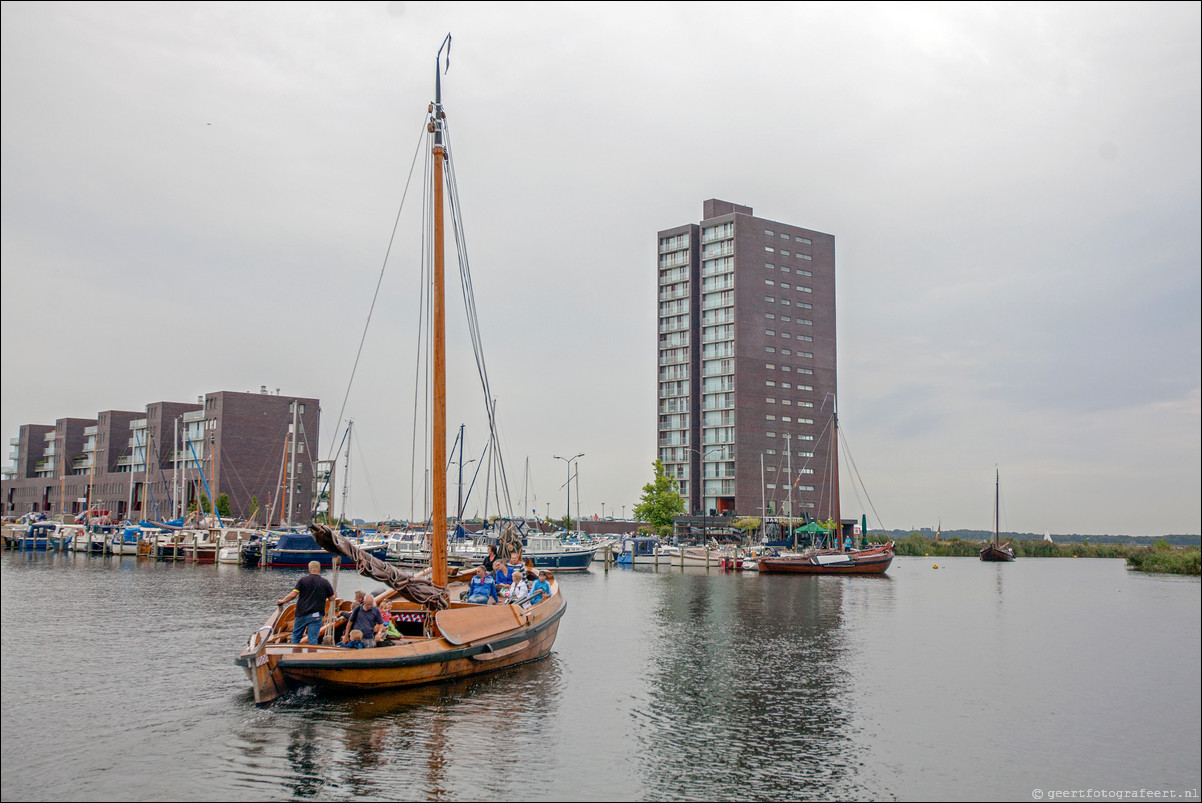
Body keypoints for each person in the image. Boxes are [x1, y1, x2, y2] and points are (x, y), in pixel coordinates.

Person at [277, 561, 335, 647]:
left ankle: (292, 655)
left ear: (309, 569)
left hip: (302, 614)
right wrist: (334, 595)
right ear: (319, 569)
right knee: (313, 639)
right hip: (316, 615)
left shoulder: (303, 581)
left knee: (296, 636)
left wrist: (283, 601)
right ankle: (310, 657)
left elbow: (293, 595)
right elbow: (331, 598)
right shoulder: (325, 582)